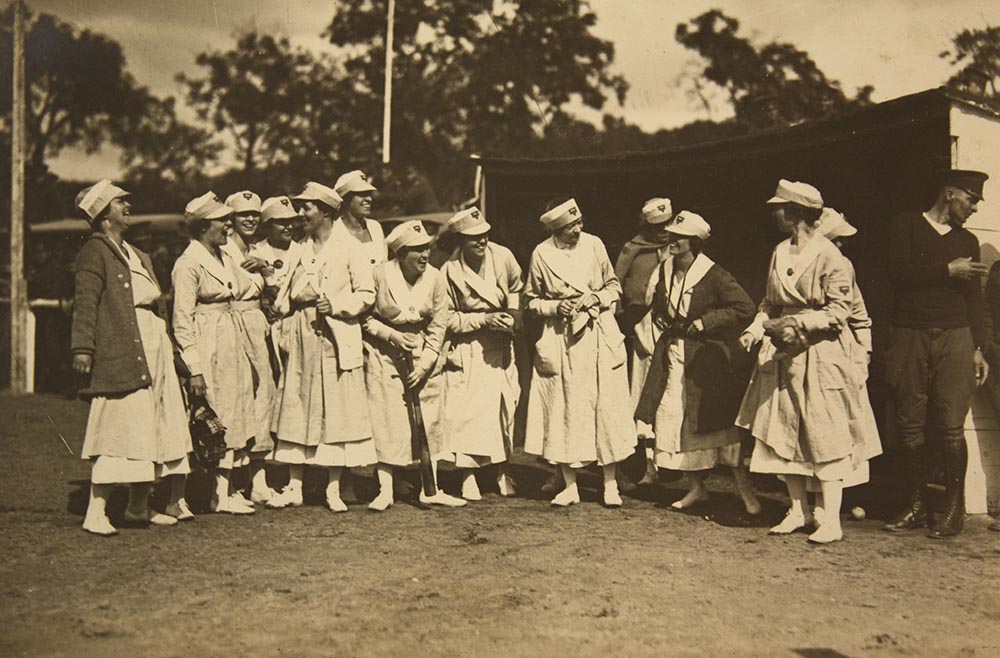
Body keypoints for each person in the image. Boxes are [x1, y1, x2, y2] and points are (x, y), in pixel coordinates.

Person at [736, 180, 863, 544]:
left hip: (820, 355)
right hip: (782, 355)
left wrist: (797, 323)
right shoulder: (779, 251)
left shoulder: (831, 256)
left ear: (794, 213)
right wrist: (756, 327)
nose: (773, 213)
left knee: (825, 435)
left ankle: (832, 521)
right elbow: (769, 302)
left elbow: (840, 311)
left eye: (778, 207)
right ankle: (798, 510)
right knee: (783, 433)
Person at [72, 180, 192, 535]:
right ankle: (96, 511)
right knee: (119, 426)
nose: (128, 205)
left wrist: (170, 349)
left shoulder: (138, 255)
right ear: (104, 214)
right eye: (120, 202)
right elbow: (86, 303)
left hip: (153, 346)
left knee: (156, 424)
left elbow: (157, 305)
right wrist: (83, 347)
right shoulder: (95, 251)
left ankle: (139, 507)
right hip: (122, 347)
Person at [882, 169, 990, 539]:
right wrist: (947, 269)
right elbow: (897, 272)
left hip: (955, 336)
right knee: (909, 421)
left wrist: (978, 348)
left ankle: (953, 510)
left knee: (950, 424)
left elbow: (973, 297)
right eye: (971, 200)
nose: (974, 208)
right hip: (909, 334)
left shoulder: (969, 241)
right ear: (949, 194)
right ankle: (915, 506)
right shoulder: (905, 226)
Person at [633, 211, 761, 514]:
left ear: (693, 242)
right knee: (673, 419)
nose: (671, 241)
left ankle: (746, 493)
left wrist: (706, 322)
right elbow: (659, 304)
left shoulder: (713, 274)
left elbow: (745, 307)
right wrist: (663, 317)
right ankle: (697, 488)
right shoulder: (664, 269)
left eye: (678, 237)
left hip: (705, 362)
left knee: (718, 427)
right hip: (672, 356)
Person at [267, 182, 378, 511]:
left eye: (307, 208)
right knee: (298, 403)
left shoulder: (351, 248)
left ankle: (333, 487)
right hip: (302, 334)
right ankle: (295, 485)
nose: (300, 214)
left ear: (327, 212)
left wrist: (338, 304)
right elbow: (284, 293)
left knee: (336, 409)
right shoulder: (299, 248)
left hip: (335, 335)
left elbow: (366, 294)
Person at [523, 198, 637, 507]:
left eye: (579, 223)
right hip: (562, 340)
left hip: (598, 334)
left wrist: (596, 300)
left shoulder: (594, 245)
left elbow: (614, 286)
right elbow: (530, 300)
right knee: (564, 408)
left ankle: (610, 484)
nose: (578, 229)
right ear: (556, 229)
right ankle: (569, 484)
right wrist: (555, 306)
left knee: (606, 408)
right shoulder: (541, 254)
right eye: (571, 226)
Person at [363, 220, 467, 510]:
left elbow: (439, 323)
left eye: (426, 249)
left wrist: (427, 362)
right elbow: (366, 317)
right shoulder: (379, 275)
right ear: (400, 253)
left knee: (430, 419)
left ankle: (429, 489)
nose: (424, 255)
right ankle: (385, 490)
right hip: (385, 355)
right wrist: (391, 335)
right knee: (386, 419)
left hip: (423, 356)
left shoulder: (435, 278)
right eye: (417, 250)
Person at [172, 192, 257, 515]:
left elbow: (247, 286)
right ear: (204, 226)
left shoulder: (224, 257)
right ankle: (187, 495)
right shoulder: (188, 263)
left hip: (229, 336)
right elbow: (181, 321)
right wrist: (193, 367)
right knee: (208, 414)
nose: (228, 226)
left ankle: (222, 492)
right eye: (222, 221)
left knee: (233, 412)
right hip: (206, 342)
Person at [439, 207, 523, 500]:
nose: (481, 242)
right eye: (474, 238)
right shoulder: (449, 272)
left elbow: (515, 292)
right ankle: (468, 475)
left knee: (504, 408)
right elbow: (446, 318)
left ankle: (502, 471)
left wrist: (511, 319)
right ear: (460, 240)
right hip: (469, 348)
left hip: (500, 345)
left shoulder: (503, 257)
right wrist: (482, 320)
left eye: (485, 235)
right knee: (469, 415)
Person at [811, 208, 882, 522]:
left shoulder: (843, 269)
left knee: (846, 430)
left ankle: (851, 497)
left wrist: (863, 354)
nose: (840, 249)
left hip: (841, 359)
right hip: (808, 357)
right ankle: (816, 503)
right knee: (812, 430)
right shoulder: (798, 266)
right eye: (836, 241)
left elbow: (860, 316)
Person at [332, 169, 387, 501]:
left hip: (380, 322)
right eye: (360, 195)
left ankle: (387, 476)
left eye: (370, 194)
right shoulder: (335, 233)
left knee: (382, 401)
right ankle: (346, 479)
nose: (368, 199)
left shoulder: (377, 229)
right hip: (348, 323)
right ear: (343, 201)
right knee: (350, 403)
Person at [222, 191, 278, 504]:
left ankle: (258, 479)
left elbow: (273, 291)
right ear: (230, 220)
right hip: (234, 327)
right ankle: (228, 484)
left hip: (258, 327)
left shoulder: (256, 250)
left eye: (255, 214)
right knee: (236, 400)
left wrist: (267, 270)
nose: (250, 219)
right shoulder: (223, 251)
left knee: (263, 398)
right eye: (243, 215)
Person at [615, 197, 674, 485]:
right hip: (641, 327)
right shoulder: (633, 249)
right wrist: (624, 323)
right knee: (643, 390)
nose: (664, 231)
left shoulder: (680, 247)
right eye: (657, 226)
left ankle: (672, 460)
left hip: (670, 327)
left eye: (667, 224)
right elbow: (615, 286)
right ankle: (648, 464)